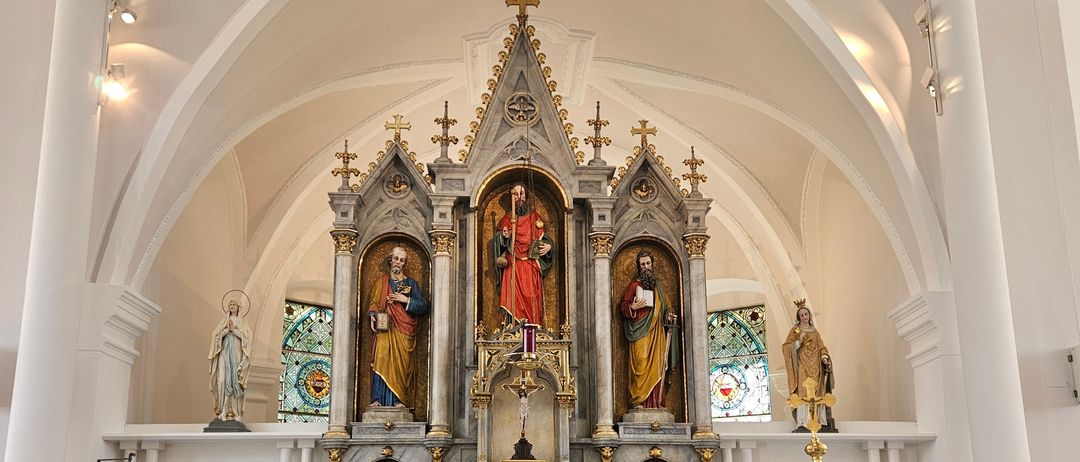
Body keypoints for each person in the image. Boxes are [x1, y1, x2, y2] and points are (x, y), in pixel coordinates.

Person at [367, 246, 429, 407]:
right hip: (385, 328)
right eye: (396, 259)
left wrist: (405, 300)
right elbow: (373, 303)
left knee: (402, 365)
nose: (398, 262)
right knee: (380, 358)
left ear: (404, 264)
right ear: (390, 260)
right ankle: (377, 400)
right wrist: (373, 316)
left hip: (404, 330)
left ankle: (399, 400)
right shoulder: (381, 282)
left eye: (402, 260)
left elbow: (423, 306)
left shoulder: (411, 283)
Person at [617, 251, 679, 409]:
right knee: (641, 363)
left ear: (652, 265)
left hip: (657, 332)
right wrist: (632, 307)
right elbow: (623, 306)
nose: (646, 267)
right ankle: (639, 401)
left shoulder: (657, 286)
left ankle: (656, 403)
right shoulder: (634, 285)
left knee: (658, 366)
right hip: (640, 332)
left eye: (648, 263)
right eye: (642, 264)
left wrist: (670, 312)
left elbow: (668, 305)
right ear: (639, 267)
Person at [493, 183, 554, 325]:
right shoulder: (507, 220)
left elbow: (543, 238)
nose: (519, 197)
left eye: (522, 194)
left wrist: (549, 246)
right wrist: (504, 237)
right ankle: (511, 327)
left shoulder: (534, 217)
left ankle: (533, 327)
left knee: (532, 296)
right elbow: (498, 242)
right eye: (515, 194)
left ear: (526, 196)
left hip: (530, 265)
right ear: (511, 198)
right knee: (512, 299)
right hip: (513, 265)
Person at [782, 301, 835, 431]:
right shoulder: (794, 331)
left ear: (809, 315)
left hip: (816, 366)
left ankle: (819, 420)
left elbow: (822, 347)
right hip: (802, 365)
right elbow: (786, 348)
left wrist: (824, 356)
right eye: (802, 315)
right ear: (799, 318)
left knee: (818, 391)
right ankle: (804, 421)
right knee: (803, 390)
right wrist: (798, 341)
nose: (805, 317)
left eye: (806, 314)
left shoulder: (815, 332)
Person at [209, 298, 253, 421]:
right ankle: (221, 409)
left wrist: (234, 330)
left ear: (239, 307)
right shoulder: (223, 321)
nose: (231, 306)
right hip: (224, 352)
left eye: (234, 304)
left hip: (236, 352)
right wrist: (226, 330)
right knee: (222, 380)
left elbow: (248, 339)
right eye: (230, 304)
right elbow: (215, 336)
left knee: (234, 380)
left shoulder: (243, 322)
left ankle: (234, 411)